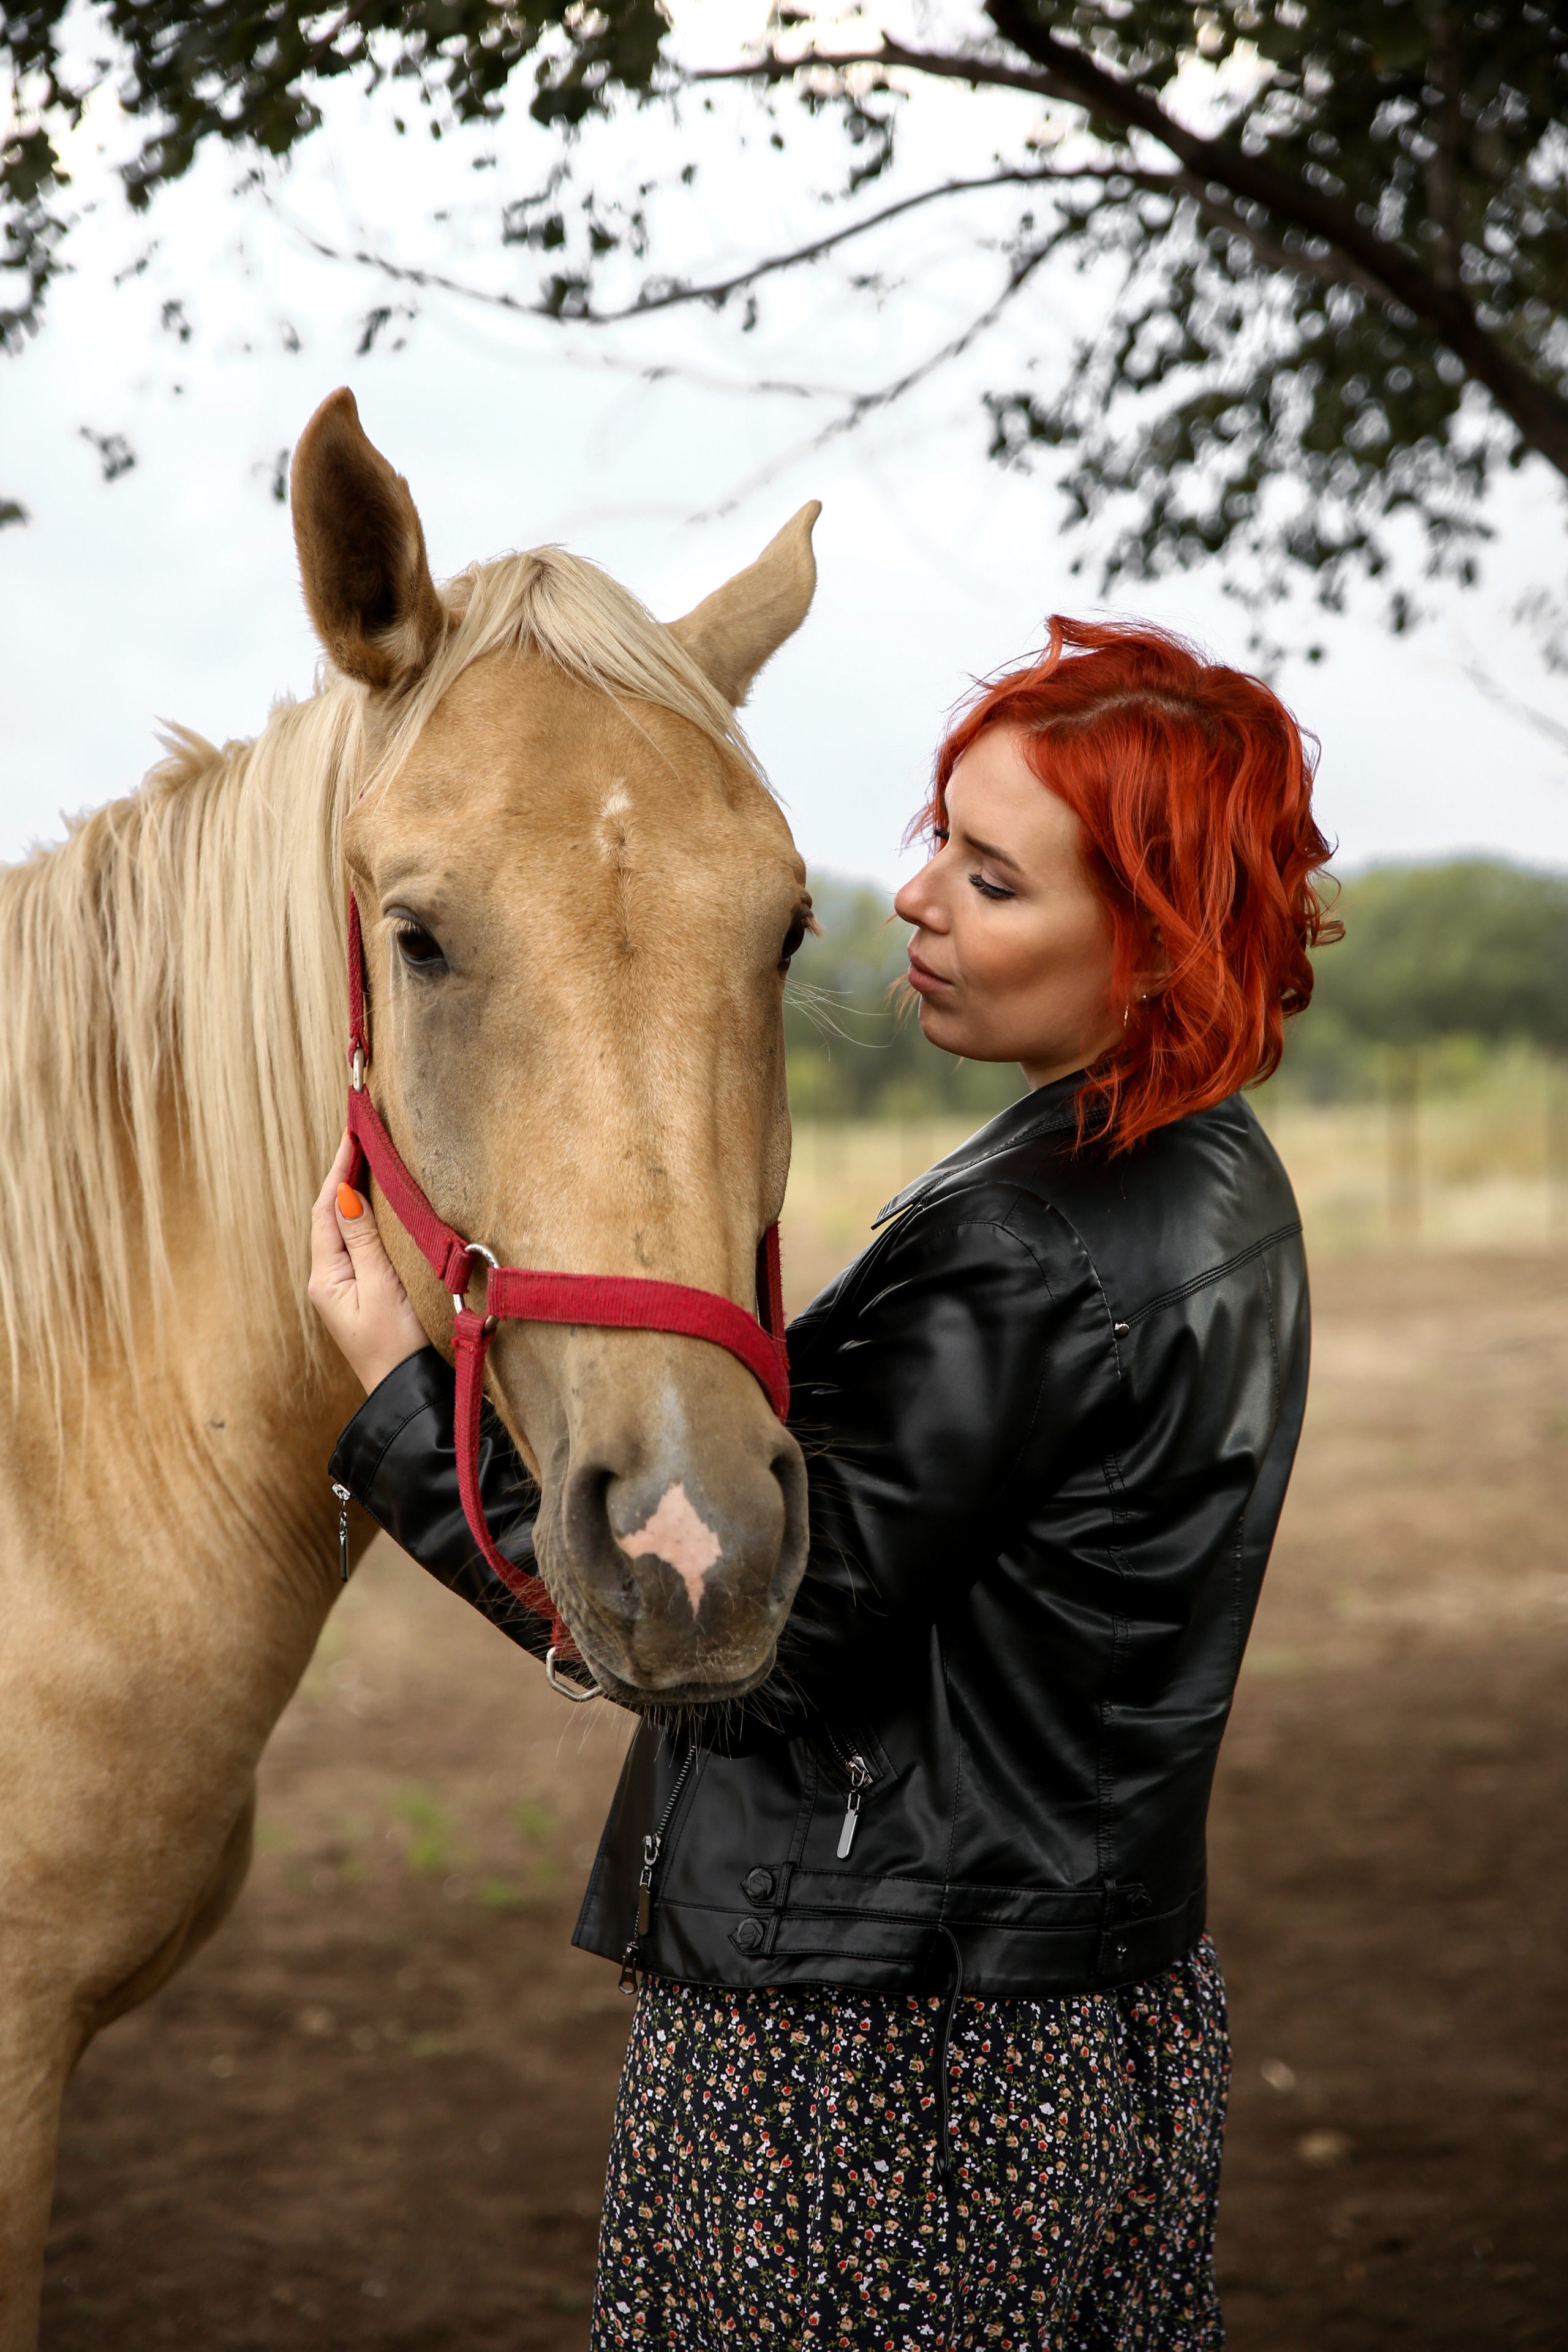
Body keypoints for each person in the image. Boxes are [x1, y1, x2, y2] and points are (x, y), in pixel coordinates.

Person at [310, 616, 1335, 2348]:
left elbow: (735, 1649)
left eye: (996, 879)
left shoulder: (1025, 1247)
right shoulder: (1214, 1182)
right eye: (944, 833)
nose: (918, 896)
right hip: (1094, 2014)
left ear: (1154, 951)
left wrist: (404, 1406)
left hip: (876, 2067)